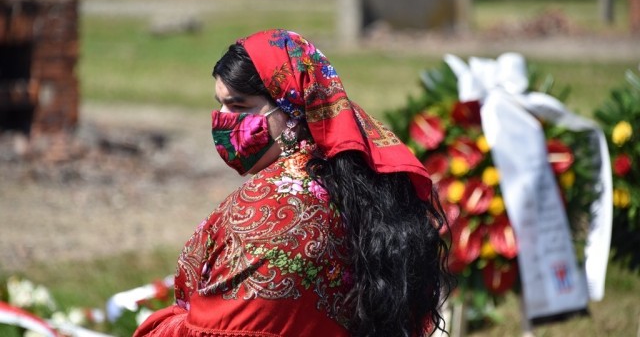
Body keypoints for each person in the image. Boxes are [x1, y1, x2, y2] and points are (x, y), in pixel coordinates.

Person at [134, 29, 452, 337]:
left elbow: (220, 330)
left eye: (239, 106)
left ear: (292, 109)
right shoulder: (360, 182)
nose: (222, 119)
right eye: (220, 104)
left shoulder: (270, 213)